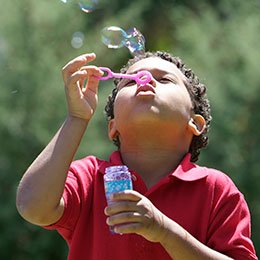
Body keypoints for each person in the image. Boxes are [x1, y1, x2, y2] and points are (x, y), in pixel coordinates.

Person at [16, 51, 258, 260]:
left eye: (163, 79)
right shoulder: (91, 178)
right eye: (130, 83)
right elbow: (32, 207)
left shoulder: (216, 189)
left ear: (195, 123)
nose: (145, 80)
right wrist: (77, 118)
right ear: (113, 126)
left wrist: (163, 230)